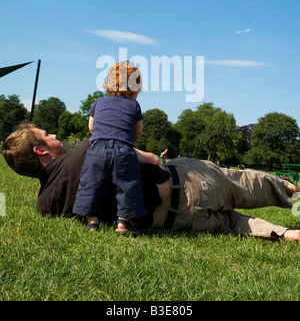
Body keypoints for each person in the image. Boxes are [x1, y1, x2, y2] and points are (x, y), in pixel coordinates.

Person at [2, 123, 300, 242]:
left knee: (233, 223)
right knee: (240, 181)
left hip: (179, 222)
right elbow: (150, 159)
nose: (54, 136)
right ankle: (290, 188)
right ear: (40, 151)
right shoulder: (86, 150)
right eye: (47, 136)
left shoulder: (46, 205)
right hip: (189, 182)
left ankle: (286, 234)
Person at [72, 61, 157, 234]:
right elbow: (138, 131)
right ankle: (123, 222)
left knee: (91, 183)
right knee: (127, 185)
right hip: (124, 150)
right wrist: (126, 139)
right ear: (135, 88)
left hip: (97, 149)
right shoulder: (134, 105)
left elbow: (91, 127)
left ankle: (92, 223)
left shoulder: (99, 102)